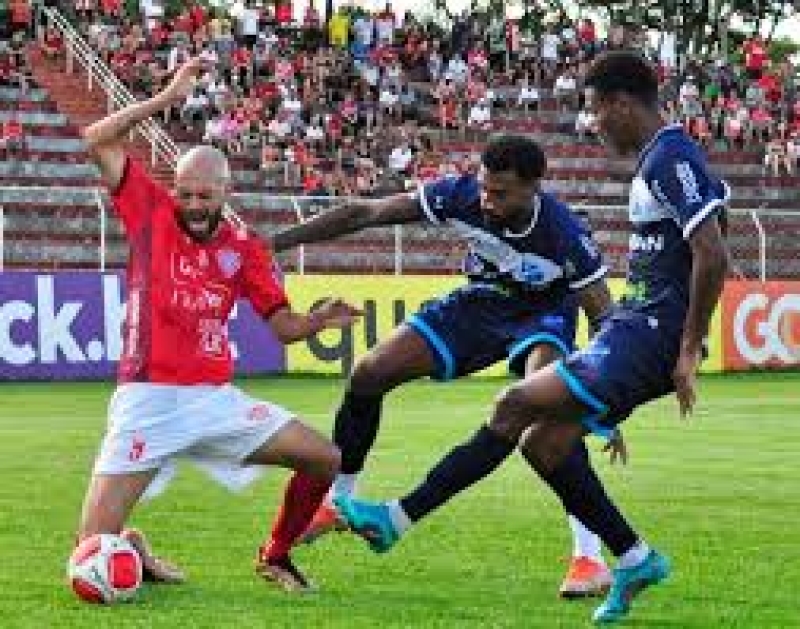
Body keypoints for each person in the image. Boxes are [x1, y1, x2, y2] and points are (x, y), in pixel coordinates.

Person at [334, 51, 731, 624]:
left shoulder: (671, 156)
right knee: (545, 445)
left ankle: (396, 518)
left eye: (596, 109)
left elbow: (713, 253)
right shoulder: (659, 159)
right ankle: (633, 557)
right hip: (635, 327)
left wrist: (689, 347)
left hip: (652, 332)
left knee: (515, 404)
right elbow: (709, 234)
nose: (593, 123)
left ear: (622, 103)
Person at [271, 133, 638, 599]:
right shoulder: (459, 195)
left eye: (500, 193)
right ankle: (337, 500)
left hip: (543, 316)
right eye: (484, 188)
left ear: (533, 188)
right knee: (369, 373)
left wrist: (603, 398)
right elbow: (364, 213)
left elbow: (604, 319)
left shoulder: (566, 236)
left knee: (547, 416)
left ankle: (589, 558)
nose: (486, 201)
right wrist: (274, 243)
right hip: (478, 304)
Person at [73, 58, 362, 594]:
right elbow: (97, 138)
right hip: (147, 400)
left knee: (324, 458)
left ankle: (276, 555)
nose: (193, 205)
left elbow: (283, 328)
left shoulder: (245, 249)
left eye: (205, 196)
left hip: (213, 400)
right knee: (87, 557)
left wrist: (318, 321)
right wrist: (167, 98)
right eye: (185, 193)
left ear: (226, 192)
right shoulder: (150, 214)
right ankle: (132, 546)